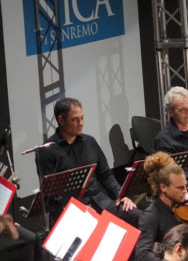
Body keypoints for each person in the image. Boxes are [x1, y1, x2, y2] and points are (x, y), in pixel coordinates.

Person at [34, 97, 140, 226]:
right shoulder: (47, 151)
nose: (81, 123)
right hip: (70, 212)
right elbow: (51, 195)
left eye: (82, 118)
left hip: (101, 202)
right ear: (61, 120)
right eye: (75, 119)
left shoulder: (90, 142)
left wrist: (121, 195)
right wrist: (81, 211)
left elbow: (106, 175)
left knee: (141, 218)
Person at [134, 151, 188, 261]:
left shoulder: (184, 206)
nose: (185, 191)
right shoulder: (151, 215)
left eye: (186, 186)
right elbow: (141, 255)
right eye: (180, 188)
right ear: (163, 187)